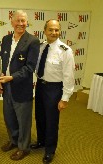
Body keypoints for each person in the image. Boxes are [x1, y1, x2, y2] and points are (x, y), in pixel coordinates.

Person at [0, 10, 40, 161]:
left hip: (21, 88)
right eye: (18, 21)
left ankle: (23, 147)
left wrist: (11, 77)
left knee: (23, 121)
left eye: (23, 21)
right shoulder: (6, 39)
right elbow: (2, 60)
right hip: (7, 87)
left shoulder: (33, 41)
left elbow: (30, 68)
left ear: (27, 22)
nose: (20, 24)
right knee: (9, 118)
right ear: (12, 22)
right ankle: (14, 140)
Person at [30, 19, 75, 163]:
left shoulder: (65, 51)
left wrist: (65, 98)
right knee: (40, 116)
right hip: (41, 86)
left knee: (51, 121)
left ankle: (50, 150)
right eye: (51, 30)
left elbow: (69, 76)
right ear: (45, 31)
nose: (54, 33)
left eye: (56, 30)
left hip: (54, 89)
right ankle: (41, 141)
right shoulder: (41, 47)